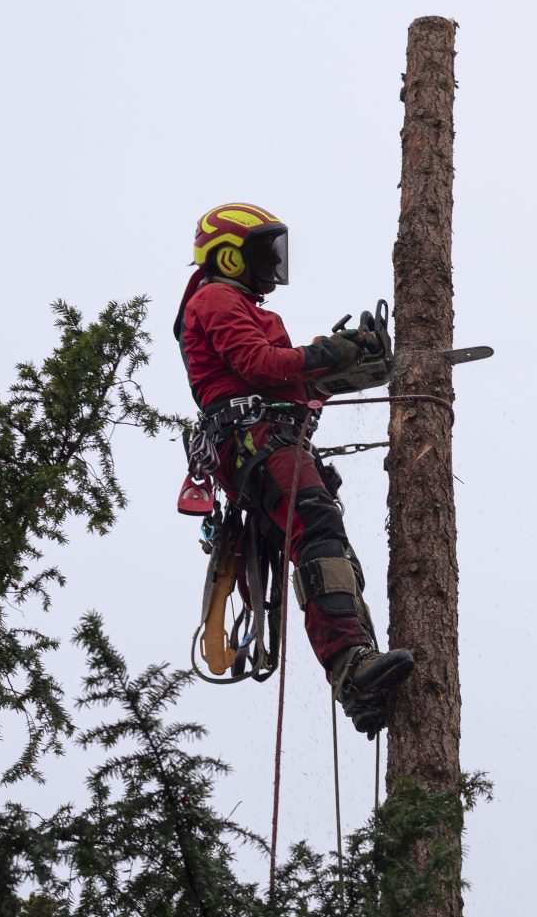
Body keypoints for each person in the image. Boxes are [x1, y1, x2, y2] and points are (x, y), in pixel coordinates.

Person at [173, 202, 413, 734]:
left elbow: (292, 384)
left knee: (333, 551)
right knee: (316, 527)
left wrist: (355, 362)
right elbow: (262, 366)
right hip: (251, 443)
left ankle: (359, 675)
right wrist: (331, 352)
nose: (273, 265)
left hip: (273, 441)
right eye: (263, 253)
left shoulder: (248, 308)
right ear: (231, 256)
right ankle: (351, 667)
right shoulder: (215, 298)